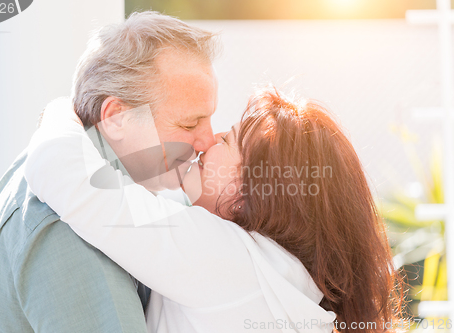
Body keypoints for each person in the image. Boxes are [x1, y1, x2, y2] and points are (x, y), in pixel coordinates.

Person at [23, 86, 404, 333]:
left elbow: (63, 172)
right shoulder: (289, 287)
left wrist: (61, 107)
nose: (212, 137)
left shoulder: (227, 261)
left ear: (259, 191)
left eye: (231, 140)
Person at [0, 11, 219, 332]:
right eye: (189, 123)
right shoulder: (72, 232)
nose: (208, 140)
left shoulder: (80, 180)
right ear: (116, 118)